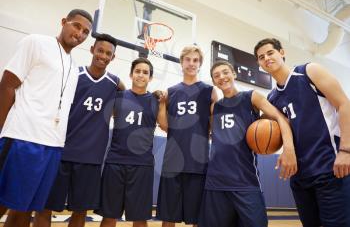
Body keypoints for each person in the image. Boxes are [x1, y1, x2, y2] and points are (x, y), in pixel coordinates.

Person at [0, 9, 92, 227]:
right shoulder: (36, 42)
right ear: (63, 22)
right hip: (23, 138)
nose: (80, 33)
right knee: (3, 199)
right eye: (76, 26)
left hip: (52, 145)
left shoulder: (73, 65)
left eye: (85, 32)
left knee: (26, 207)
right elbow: (7, 85)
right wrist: (3, 128)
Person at [254, 38, 350, 227]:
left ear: (282, 52)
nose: (266, 58)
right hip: (299, 176)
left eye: (270, 53)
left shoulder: (308, 72)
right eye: (261, 57)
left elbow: (344, 104)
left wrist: (346, 150)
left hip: (330, 168)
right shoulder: (272, 98)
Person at [33, 33, 125, 227]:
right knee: (45, 206)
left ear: (113, 58)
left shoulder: (114, 82)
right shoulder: (75, 74)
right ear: (92, 50)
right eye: (100, 50)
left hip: (91, 158)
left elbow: (130, 95)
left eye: (108, 53)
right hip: (61, 151)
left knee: (80, 211)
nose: (103, 56)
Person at [198, 60, 297, 227]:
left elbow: (280, 118)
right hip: (216, 181)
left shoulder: (251, 97)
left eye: (225, 72)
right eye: (216, 76)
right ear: (214, 81)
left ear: (234, 74)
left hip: (245, 180)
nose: (222, 77)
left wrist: (288, 147)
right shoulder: (215, 108)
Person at [96, 57, 164, 227]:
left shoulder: (156, 102)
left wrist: (163, 100)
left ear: (150, 78)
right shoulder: (118, 98)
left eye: (145, 72)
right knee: (109, 216)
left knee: (139, 218)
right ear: (131, 74)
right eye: (138, 71)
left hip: (142, 165)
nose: (141, 75)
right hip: (115, 163)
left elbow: (166, 126)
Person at [156, 45, 218, 227]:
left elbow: (214, 128)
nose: (191, 63)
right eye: (188, 60)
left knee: (197, 216)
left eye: (195, 60)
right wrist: (161, 104)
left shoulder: (210, 91)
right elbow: (166, 127)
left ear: (200, 64)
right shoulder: (171, 91)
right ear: (181, 63)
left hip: (198, 162)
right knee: (168, 216)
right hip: (173, 160)